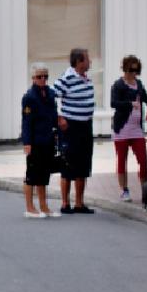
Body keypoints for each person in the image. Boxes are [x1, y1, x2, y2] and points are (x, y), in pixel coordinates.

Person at [50, 48, 97, 214]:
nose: (90, 62)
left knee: (83, 164)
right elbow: (50, 97)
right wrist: (58, 118)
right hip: (70, 127)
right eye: (87, 59)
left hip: (85, 125)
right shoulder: (67, 77)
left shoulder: (86, 77)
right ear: (79, 62)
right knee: (68, 164)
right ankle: (65, 203)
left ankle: (79, 203)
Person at [110, 55, 147, 203]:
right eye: (131, 69)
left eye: (136, 70)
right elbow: (113, 103)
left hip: (136, 129)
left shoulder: (139, 84)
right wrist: (130, 104)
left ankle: (145, 189)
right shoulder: (118, 85)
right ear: (125, 69)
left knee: (143, 159)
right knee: (122, 160)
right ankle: (124, 189)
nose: (134, 73)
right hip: (122, 129)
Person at [19, 63, 60, 219]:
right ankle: (30, 208)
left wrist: (58, 128)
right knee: (32, 174)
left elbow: (53, 116)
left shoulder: (50, 94)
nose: (43, 79)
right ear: (33, 78)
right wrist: (27, 143)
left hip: (48, 140)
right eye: (39, 76)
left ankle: (44, 206)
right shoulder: (29, 97)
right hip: (35, 141)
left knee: (44, 174)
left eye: (45, 76)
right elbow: (27, 122)